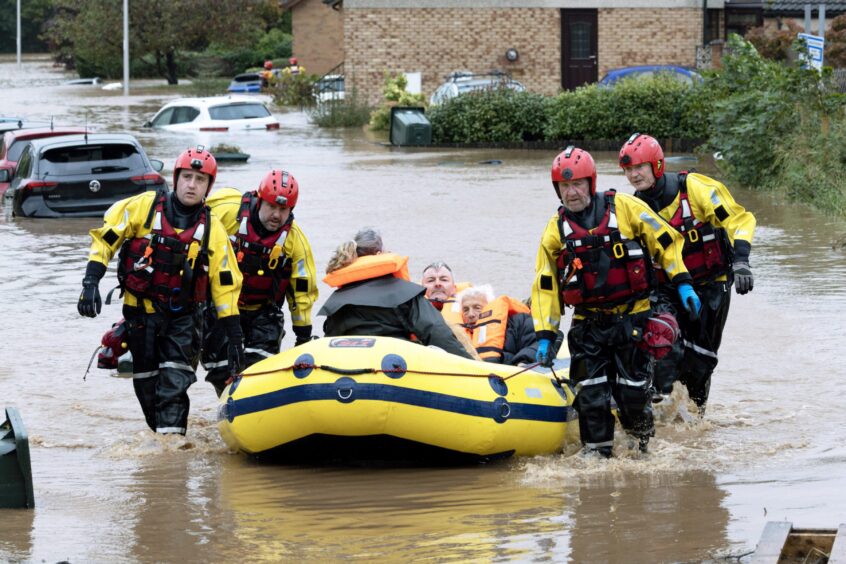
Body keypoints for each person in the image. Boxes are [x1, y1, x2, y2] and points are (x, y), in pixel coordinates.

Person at [531, 146, 699, 457]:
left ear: (591, 183)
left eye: (577, 184)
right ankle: (597, 455)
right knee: (591, 394)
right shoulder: (556, 230)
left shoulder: (625, 208)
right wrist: (544, 335)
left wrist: (684, 282)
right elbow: (545, 285)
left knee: (632, 394)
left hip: (632, 319)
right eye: (564, 187)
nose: (571, 193)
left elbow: (666, 241)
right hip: (588, 324)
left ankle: (641, 448)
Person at [77, 146, 244, 435]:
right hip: (140, 316)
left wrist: (234, 335)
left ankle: (174, 452)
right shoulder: (143, 207)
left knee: (174, 385)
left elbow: (226, 284)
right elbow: (105, 240)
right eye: (187, 177)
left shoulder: (212, 229)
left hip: (184, 320)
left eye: (200, 180)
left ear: (208, 186)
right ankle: (165, 440)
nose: (192, 185)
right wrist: (91, 282)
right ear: (176, 178)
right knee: (147, 388)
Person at [619, 133, 756, 414]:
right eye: (628, 170)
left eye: (639, 167)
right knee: (661, 340)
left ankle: (695, 418)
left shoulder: (694, 188)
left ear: (656, 165)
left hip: (710, 283)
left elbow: (740, 219)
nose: (634, 175)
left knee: (701, 360)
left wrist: (742, 260)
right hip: (667, 288)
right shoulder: (633, 207)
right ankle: (659, 408)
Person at [202, 169, 318, 396]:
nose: (276, 214)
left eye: (283, 209)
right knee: (221, 370)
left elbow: (302, 290)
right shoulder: (225, 214)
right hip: (222, 311)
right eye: (272, 206)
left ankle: (255, 410)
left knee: (260, 372)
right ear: (259, 199)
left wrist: (303, 335)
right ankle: (228, 405)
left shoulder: (295, 241)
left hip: (263, 314)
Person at [318, 228, 474, 359]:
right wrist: (472, 367)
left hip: (351, 367)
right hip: (395, 367)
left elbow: (330, 342)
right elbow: (437, 332)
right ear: (380, 255)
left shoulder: (337, 300)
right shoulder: (405, 293)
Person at [457, 284, 538, 366]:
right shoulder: (455, 337)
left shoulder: (520, 322)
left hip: (514, 374)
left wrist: (523, 362)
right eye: (466, 310)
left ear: (490, 306)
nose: (471, 314)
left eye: (477, 308)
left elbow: (538, 343)